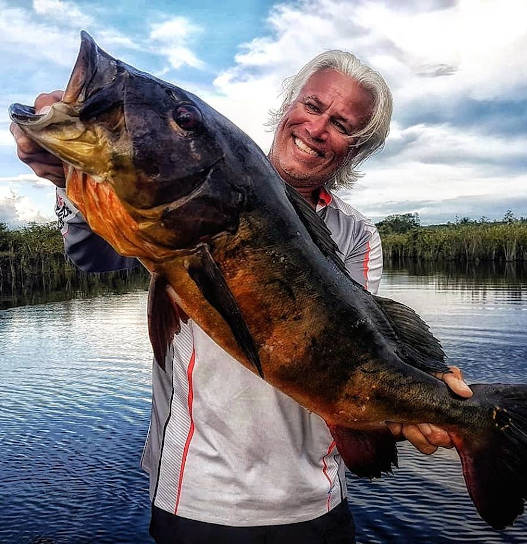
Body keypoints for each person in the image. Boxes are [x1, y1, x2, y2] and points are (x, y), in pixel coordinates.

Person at [12, 51, 472, 544]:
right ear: (288, 108)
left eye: (341, 124)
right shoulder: (186, 206)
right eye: (313, 106)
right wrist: (71, 180)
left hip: (315, 499)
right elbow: (92, 255)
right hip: (198, 497)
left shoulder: (357, 234)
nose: (317, 128)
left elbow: (361, 351)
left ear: (355, 151)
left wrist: (425, 393)